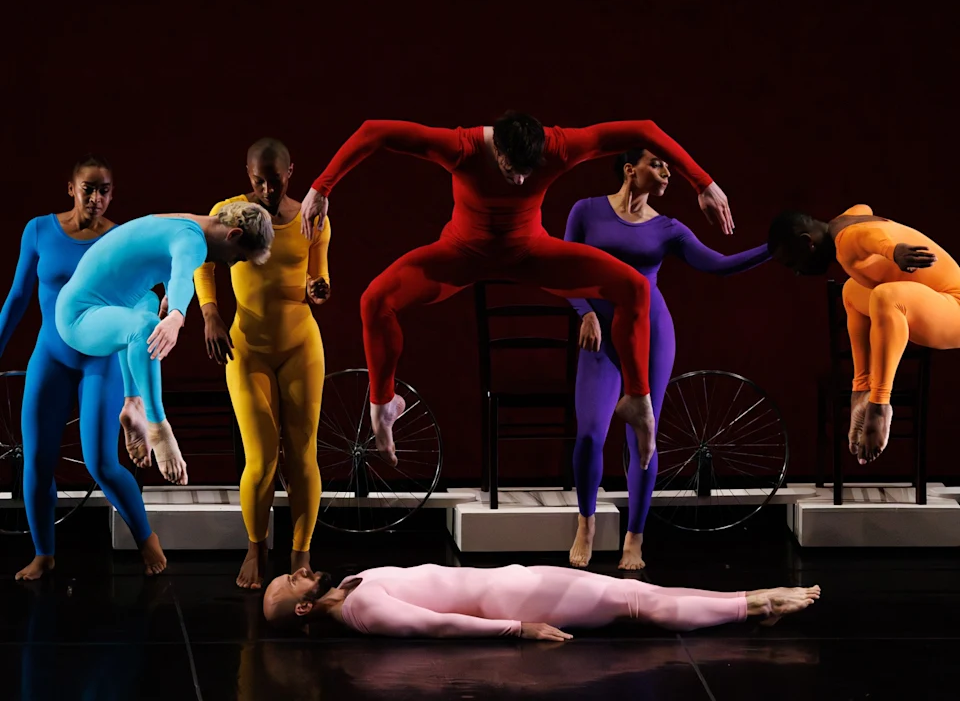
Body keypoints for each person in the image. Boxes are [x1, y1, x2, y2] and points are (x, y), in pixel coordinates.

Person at [299, 112, 735, 469]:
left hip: (530, 252)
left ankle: (637, 400)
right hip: (462, 254)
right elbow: (376, 132)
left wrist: (704, 183)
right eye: (512, 170)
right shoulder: (464, 148)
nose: (522, 182)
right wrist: (322, 187)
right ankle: (383, 403)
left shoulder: (558, 146)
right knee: (375, 300)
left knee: (634, 287)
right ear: (498, 152)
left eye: (530, 173)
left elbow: (644, 129)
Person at [564, 149, 770, 570]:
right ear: (629, 169)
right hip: (600, 335)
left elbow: (720, 265)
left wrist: (773, 249)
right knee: (589, 434)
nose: (666, 173)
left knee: (642, 438)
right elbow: (563, 269)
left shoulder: (668, 228)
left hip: (652, 334)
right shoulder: (585, 211)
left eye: (669, 168)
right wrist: (584, 312)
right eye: (657, 164)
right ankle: (586, 523)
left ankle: (634, 539)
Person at [0, 155, 164, 580]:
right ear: (71, 188)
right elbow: (18, 297)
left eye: (104, 189)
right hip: (51, 356)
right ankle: (43, 554)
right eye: (88, 188)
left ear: (113, 193)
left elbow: (144, 302)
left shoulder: (120, 239)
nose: (96, 197)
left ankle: (147, 538)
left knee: (101, 463)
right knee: (36, 460)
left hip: (100, 359)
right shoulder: (39, 231)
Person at [55, 203, 275, 487]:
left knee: (146, 303)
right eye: (240, 257)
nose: (234, 264)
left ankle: (133, 403)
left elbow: (175, 267)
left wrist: (171, 297)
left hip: (101, 306)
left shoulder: (186, 222)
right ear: (232, 235)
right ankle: (158, 427)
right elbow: (184, 272)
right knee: (145, 326)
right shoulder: (193, 240)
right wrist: (177, 315)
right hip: (78, 318)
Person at [194, 138, 331, 590]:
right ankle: (256, 548)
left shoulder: (311, 214)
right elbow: (203, 260)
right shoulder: (230, 211)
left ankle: (301, 554)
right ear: (247, 175)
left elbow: (318, 272)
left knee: (303, 454)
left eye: (275, 180)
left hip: (299, 345)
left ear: (291, 171)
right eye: (258, 181)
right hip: (247, 347)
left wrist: (318, 287)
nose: (268, 189)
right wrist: (211, 312)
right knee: (262, 457)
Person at [768, 204, 957, 465]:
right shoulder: (843, 221)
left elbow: (866, 239)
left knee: (886, 297)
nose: (798, 272)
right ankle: (861, 389)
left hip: (953, 309)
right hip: (932, 304)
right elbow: (863, 210)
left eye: (793, 263)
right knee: (852, 292)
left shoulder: (845, 242)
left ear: (807, 242)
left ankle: (879, 407)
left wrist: (893, 251)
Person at [262, 563, 820, 637]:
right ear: (305, 607)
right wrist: (518, 630)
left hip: (511, 582)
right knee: (632, 602)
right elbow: (440, 626)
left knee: (635, 592)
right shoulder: (364, 610)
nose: (298, 572)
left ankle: (747, 598)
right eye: (292, 583)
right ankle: (755, 605)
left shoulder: (355, 582)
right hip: (515, 601)